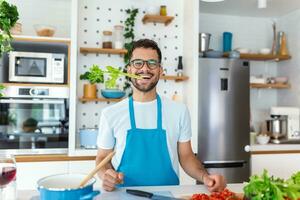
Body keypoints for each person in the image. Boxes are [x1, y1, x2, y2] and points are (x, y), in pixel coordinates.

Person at [96, 39, 226, 192]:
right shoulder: (111, 114)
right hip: (123, 195)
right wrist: (106, 175)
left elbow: (186, 156)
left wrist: (205, 177)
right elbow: (102, 158)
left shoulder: (179, 111)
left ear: (160, 70)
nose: (145, 69)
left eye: (152, 63)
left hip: (168, 195)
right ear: (129, 69)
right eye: (138, 63)